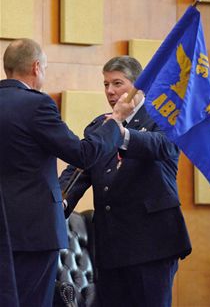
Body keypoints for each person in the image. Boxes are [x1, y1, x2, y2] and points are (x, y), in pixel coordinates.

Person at [0, 39, 134, 307]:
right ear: (37, 67)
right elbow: (83, 155)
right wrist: (115, 120)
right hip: (33, 232)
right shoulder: (36, 104)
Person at [60, 56, 192, 307]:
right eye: (106, 84)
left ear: (138, 86)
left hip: (152, 245)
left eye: (117, 83)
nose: (110, 91)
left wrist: (121, 133)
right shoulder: (101, 125)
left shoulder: (163, 118)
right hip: (111, 246)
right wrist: (58, 203)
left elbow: (163, 147)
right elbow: (79, 170)